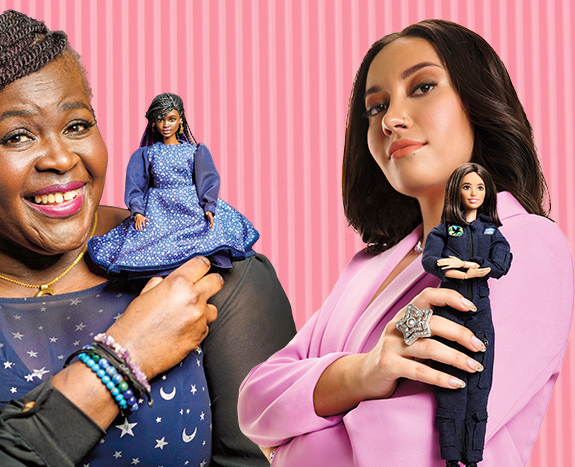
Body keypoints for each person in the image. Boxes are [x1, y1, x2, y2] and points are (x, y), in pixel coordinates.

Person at [0, 10, 294, 467]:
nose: (62, 158)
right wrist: (118, 364)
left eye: (77, 126)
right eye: (18, 137)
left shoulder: (204, 272)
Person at [237, 19, 572, 466]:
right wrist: (364, 372)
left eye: (423, 86)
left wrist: (297, 438)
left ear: (479, 102)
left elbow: (418, 446)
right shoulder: (366, 268)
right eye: (375, 107)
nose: (391, 120)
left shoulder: (526, 245)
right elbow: (255, 402)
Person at [88, 93, 259, 277]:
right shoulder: (148, 154)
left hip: (190, 206)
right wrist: (137, 211)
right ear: (154, 122)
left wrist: (209, 207)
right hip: (159, 208)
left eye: (171, 119)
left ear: (180, 121)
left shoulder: (194, 151)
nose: (166, 124)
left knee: (209, 232)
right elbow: (136, 185)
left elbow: (207, 180)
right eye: (160, 119)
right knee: (145, 239)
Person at [420, 162, 511, 466]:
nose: (474, 193)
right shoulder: (445, 229)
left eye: (480, 187)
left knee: (479, 389)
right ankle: (449, 459)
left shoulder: (490, 229)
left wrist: (477, 267)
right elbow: (432, 259)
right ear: (456, 190)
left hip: (480, 315)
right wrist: (460, 268)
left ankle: (472, 458)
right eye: (467, 186)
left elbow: (501, 261)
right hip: (449, 314)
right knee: (449, 387)